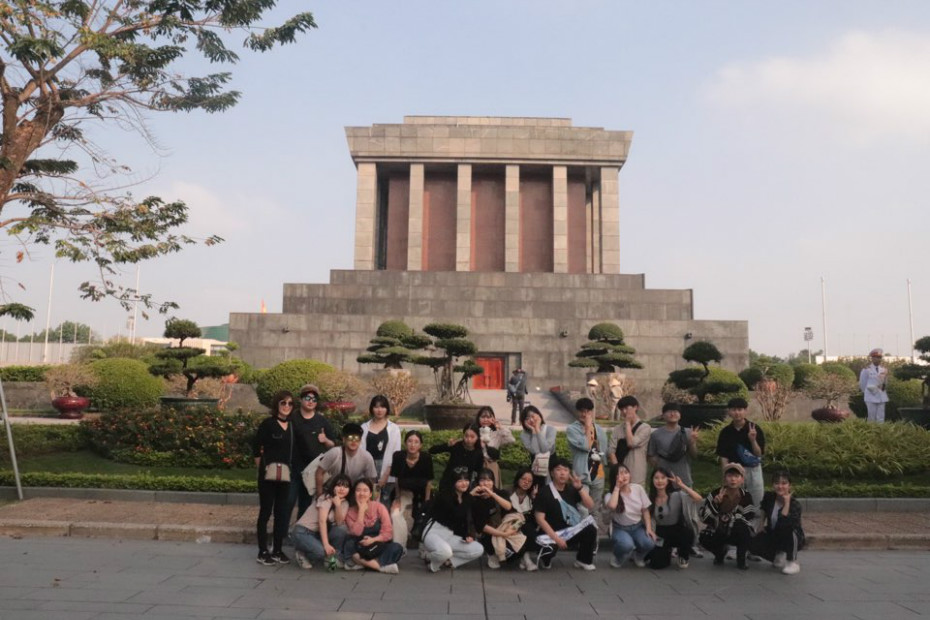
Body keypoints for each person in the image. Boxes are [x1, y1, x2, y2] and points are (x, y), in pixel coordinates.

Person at [252, 391, 295, 566]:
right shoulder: (268, 424)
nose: (286, 406)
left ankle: (277, 549)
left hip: (285, 475)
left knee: (281, 513)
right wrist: (261, 468)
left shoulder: (292, 426)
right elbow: (256, 447)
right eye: (283, 403)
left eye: (290, 403)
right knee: (265, 512)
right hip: (268, 475)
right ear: (277, 405)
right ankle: (262, 550)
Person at [533, 456, 599, 571]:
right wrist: (556, 539)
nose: (562, 473)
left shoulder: (571, 489)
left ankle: (583, 560)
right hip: (550, 533)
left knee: (590, 529)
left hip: (569, 531)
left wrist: (580, 488)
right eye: (558, 470)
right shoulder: (544, 492)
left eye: (565, 470)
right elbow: (540, 519)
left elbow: (590, 505)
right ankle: (545, 559)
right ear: (552, 473)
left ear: (569, 473)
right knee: (547, 552)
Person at [421, 467, 485, 572]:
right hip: (434, 532)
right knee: (445, 552)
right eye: (460, 481)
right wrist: (469, 496)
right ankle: (429, 557)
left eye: (466, 480)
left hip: (450, 535)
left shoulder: (466, 497)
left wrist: (467, 535)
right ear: (453, 482)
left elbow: (464, 521)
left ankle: (449, 561)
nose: (464, 483)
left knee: (478, 549)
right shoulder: (444, 496)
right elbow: (457, 514)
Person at [289, 383, 336, 521]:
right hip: (293, 468)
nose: (311, 401)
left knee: (305, 504)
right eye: (307, 398)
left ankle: (299, 529)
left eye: (314, 399)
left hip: (312, 469)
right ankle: (281, 530)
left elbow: (333, 444)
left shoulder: (321, 420)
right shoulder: (292, 418)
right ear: (301, 399)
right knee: (288, 501)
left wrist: (325, 440)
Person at [699, 463, 757, 570]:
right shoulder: (715, 493)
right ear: (725, 478)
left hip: (737, 530)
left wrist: (731, 519)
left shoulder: (746, 495)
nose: (733, 479)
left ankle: (741, 559)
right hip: (719, 528)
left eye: (736, 476)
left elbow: (749, 515)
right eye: (730, 476)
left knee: (744, 529)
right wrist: (715, 504)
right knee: (704, 537)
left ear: (742, 479)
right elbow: (704, 517)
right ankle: (719, 554)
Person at [344, 478, 405, 574]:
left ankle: (361, 562)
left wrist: (373, 540)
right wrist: (361, 511)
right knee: (349, 545)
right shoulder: (350, 512)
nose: (361, 493)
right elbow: (356, 532)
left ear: (370, 494)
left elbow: (388, 533)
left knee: (397, 548)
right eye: (358, 490)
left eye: (365, 490)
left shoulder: (379, 507)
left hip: (378, 544)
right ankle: (380, 566)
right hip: (360, 545)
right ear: (354, 493)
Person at [750, 470, 805, 575]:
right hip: (775, 532)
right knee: (752, 542)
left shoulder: (795, 505)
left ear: (789, 485)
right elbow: (763, 508)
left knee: (788, 529)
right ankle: (777, 554)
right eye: (777, 483)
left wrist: (787, 503)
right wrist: (761, 524)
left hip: (792, 536)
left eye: (784, 483)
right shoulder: (769, 497)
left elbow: (785, 522)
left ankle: (792, 562)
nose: (780, 486)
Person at [647, 467, 703, 569]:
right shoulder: (650, 498)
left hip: (677, 530)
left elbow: (698, 498)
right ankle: (667, 551)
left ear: (668, 480)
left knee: (688, 533)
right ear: (652, 480)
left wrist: (681, 485)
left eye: (663, 478)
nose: (660, 481)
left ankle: (683, 556)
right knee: (657, 564)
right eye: (656, 478)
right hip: (660, 532)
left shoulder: (677, 495)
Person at [293, 473, 351, 570]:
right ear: (333, 487)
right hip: (303, 532)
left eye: (345, 486)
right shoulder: (326, 497)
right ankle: (302, 552)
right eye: (339, 485)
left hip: (317, 534)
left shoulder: (345, 503)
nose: (342, 489)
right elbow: (322, 521)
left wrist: (338, 505)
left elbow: (339, 523)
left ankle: (333, 557)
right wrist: (326, 545)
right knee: (321, 552)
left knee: (342, 529)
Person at [715, 397, 765, 508]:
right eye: (734, 409)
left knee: (756, 503)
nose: (737, 412)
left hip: (752, 470)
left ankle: (756, 519)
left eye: (740, 409)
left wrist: (753, 440)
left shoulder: (754, 428)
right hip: (734, 471)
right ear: (729, 412)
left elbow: (759, 454)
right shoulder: (725, 432)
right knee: (735, 504)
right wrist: (725, 475)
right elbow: (723, 456)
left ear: (745, 411)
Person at [471, 468, 524, 570]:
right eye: (482, 480)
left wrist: (492, 494)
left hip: (506, 526)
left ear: (493, 481)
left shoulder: (501, 493)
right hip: (490, 532)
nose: (486, 483)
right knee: (490, 541)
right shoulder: (475, 500)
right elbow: (482, 526)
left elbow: (509, 507)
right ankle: (492, 554)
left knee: (521, 526)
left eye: (489, 480)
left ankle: (522, 556)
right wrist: (502, 534)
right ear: (478, 482)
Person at [605, 464, 656, 568]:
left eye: (626, 472)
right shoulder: (610, 494)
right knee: (626, 545)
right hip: (619, 528)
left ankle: (638, 555)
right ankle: (618, 557)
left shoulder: (638, 488)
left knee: (649, 542)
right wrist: (617, 487)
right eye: (620, 474)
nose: (624, 476)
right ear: (614, 478)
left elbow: (645, 510)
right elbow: (612, 506)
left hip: (637, 526)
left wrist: (649, 528)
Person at [389, 430, 434, 548]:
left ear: (421, 445)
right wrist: (397, 498)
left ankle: (424, 548)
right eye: (409, 441)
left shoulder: (426, 458)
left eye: (416, 442)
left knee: (425, 516)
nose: (412, 445)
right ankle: (399, 546)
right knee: (395, 514)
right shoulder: (398, 456)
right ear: (405, 443)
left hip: (422, 494)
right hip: (404, 492)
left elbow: (429, 482)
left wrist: (426, 502)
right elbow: (397, 479)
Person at [565, 398, 608, 519]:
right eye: (582, 411)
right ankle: (583, 529)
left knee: (595, 508)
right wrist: (588, 427)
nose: (585, 414)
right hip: (582, 476)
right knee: (582, 508)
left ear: (591, 412)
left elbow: (603, 450)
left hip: (598, 474)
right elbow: (586, 445)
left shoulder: (599, 429)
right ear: (577, 411)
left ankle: (595, 529)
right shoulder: (572, 429)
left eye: (588, 411)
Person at [314, 422, 378, 495]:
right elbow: (319, 472)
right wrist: (319, 495)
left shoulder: (366, 457)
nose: (353, 441)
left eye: (357, 438)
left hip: (351, 492)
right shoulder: (334, 453)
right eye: (350, 438)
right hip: (331, 491)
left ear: (360, 441)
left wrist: (375, 498)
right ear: (344, 439)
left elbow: (373, 480)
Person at [361, 394, 402, 504]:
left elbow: (396, 454)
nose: (379, 410)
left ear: (387, 409)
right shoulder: (364, 428)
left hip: (386, 469)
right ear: (372, 408)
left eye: (382, 407)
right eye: (376, 407)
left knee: (383, 503)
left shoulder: (394, 429)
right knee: (369, 501)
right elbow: (360, 452)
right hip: (368, 469)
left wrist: (385, 476)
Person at [648, 403, 700, 487]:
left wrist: (692, 442)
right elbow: (651, 455)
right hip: (663, 480)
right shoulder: (656, 434)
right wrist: (660, 468)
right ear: (663, 415)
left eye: (675, 411)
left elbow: (694, 455)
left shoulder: (688, 432)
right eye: (669, 411)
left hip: (684, 478)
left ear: (680, 415)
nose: (672, 414)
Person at [608, 395, 652, 486]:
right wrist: (618, 469)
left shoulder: (645, 428)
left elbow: (631, 443)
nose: (624, 412)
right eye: (621, 409)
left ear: (636, 407)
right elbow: (611, 450)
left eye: (626, 408)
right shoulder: (617, 429)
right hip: (620, 473)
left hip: (637, 473)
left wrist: (627, 423)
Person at [429, 423, 484, 489]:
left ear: (477, 437)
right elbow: (432, 450)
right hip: (448, 483)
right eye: (466, 436)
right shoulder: (456, 445)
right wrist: (447, 445)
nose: (469, 439)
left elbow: (478, 471)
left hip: (464, 486)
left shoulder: (478, 453)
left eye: (472, 437)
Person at [475, 406, 515, 487]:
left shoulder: (496, 433)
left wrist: (500, 427)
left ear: (493, 418)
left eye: (488, 417)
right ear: (478, 418)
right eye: (483, 417)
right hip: (477, 464)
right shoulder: (474, 432)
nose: (485, 419)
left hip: (491, 464)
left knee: (492, 488)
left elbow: (511, 440)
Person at [509, 467, 539, 572]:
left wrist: (534, 499)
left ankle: (525, 558)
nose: (526, 482)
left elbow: (534, 516)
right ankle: (526, 559)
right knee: (526, 526)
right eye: (524, 479)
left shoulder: (530, 496)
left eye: (530, 481)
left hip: (524, 525)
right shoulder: (508, 492)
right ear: (518, 479)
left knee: (528, 526)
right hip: (509, 525)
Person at [520, 405, 557, 488]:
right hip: (537, 466)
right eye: (527, 418)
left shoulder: (550, 429)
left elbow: (545, 449)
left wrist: (537, 429)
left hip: (551, 464)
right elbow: (535, 451)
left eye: (532, 416)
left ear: (539, 415)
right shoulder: (524, 434)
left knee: (553, 490)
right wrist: (534, 431)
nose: (531, 420)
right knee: (538, 490)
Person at [859, 348, 889, 423]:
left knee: (881, 418)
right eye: (876, 357)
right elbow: (863, 384)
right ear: (872, 358)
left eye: (880, 357)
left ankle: (881, 430)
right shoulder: (866, 370)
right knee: (871, 418)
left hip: (881, 396)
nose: (878, 359)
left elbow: (885, 383)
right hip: (871, 396)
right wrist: (868, 392)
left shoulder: (884, 370)